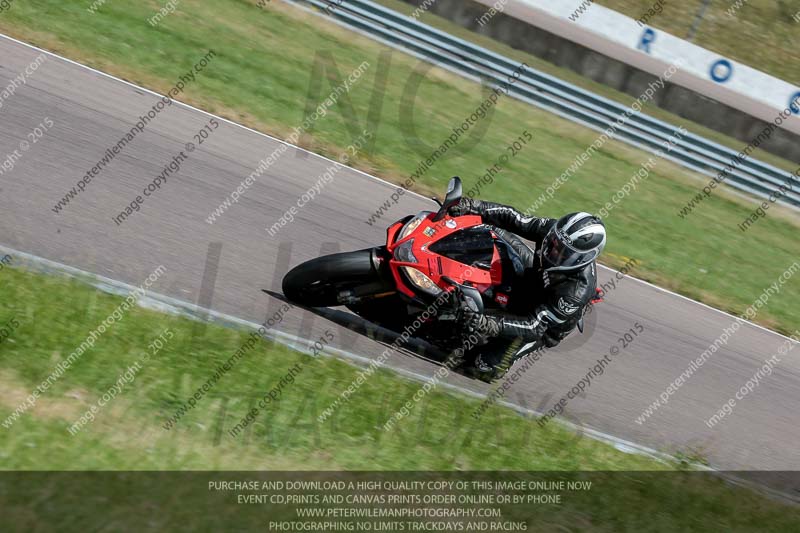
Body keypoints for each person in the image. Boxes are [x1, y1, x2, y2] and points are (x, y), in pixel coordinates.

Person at [447, 198, 606, 381]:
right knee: (488, 229)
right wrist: (472, 206)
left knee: (482, 366)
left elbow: (534, 326)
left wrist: (484, 322)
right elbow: (516, 219)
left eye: (563, 252)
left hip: (540, 323)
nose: (552, 251)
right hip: (534, 276)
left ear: (582, 259)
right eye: (554, 243)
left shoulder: (575, 292)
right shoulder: (554, 233)